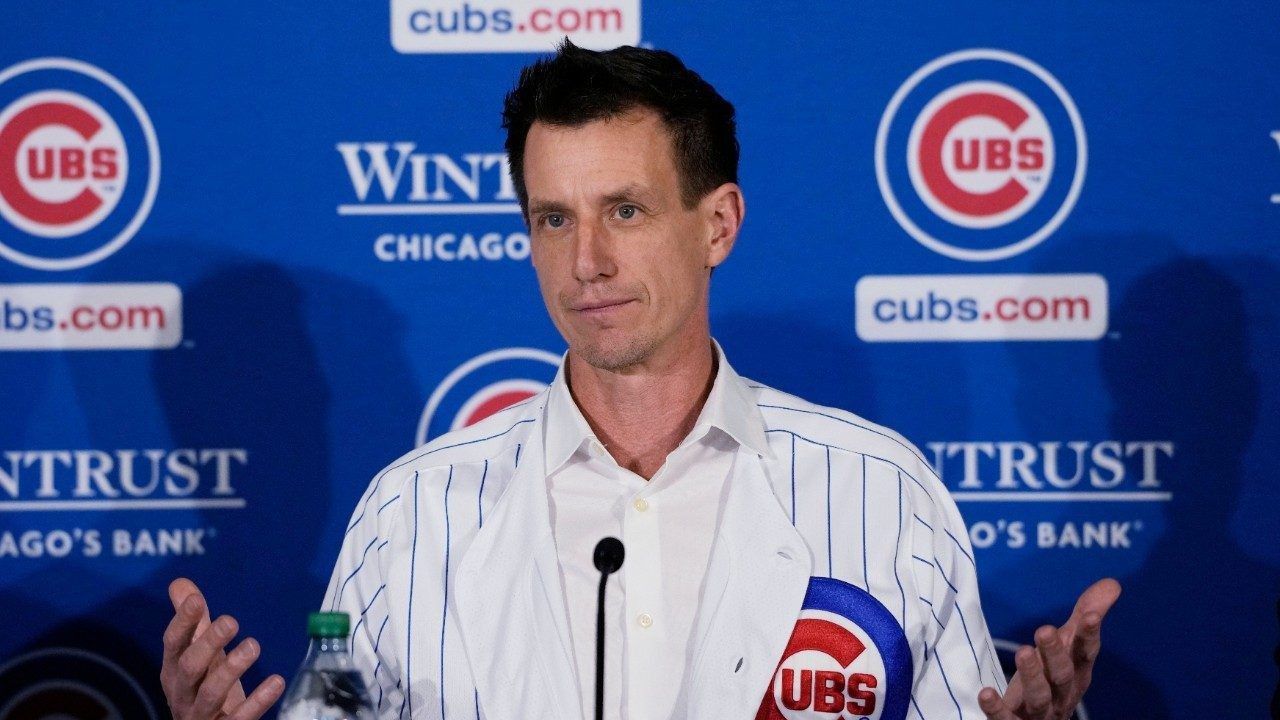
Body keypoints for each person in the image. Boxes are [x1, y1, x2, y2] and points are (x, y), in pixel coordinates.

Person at [160, 41, 1120, 720]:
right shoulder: (408, 514)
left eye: (624, 210)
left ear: (718, 224)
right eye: (552, 219)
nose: (586, 262)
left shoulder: (883, 495)